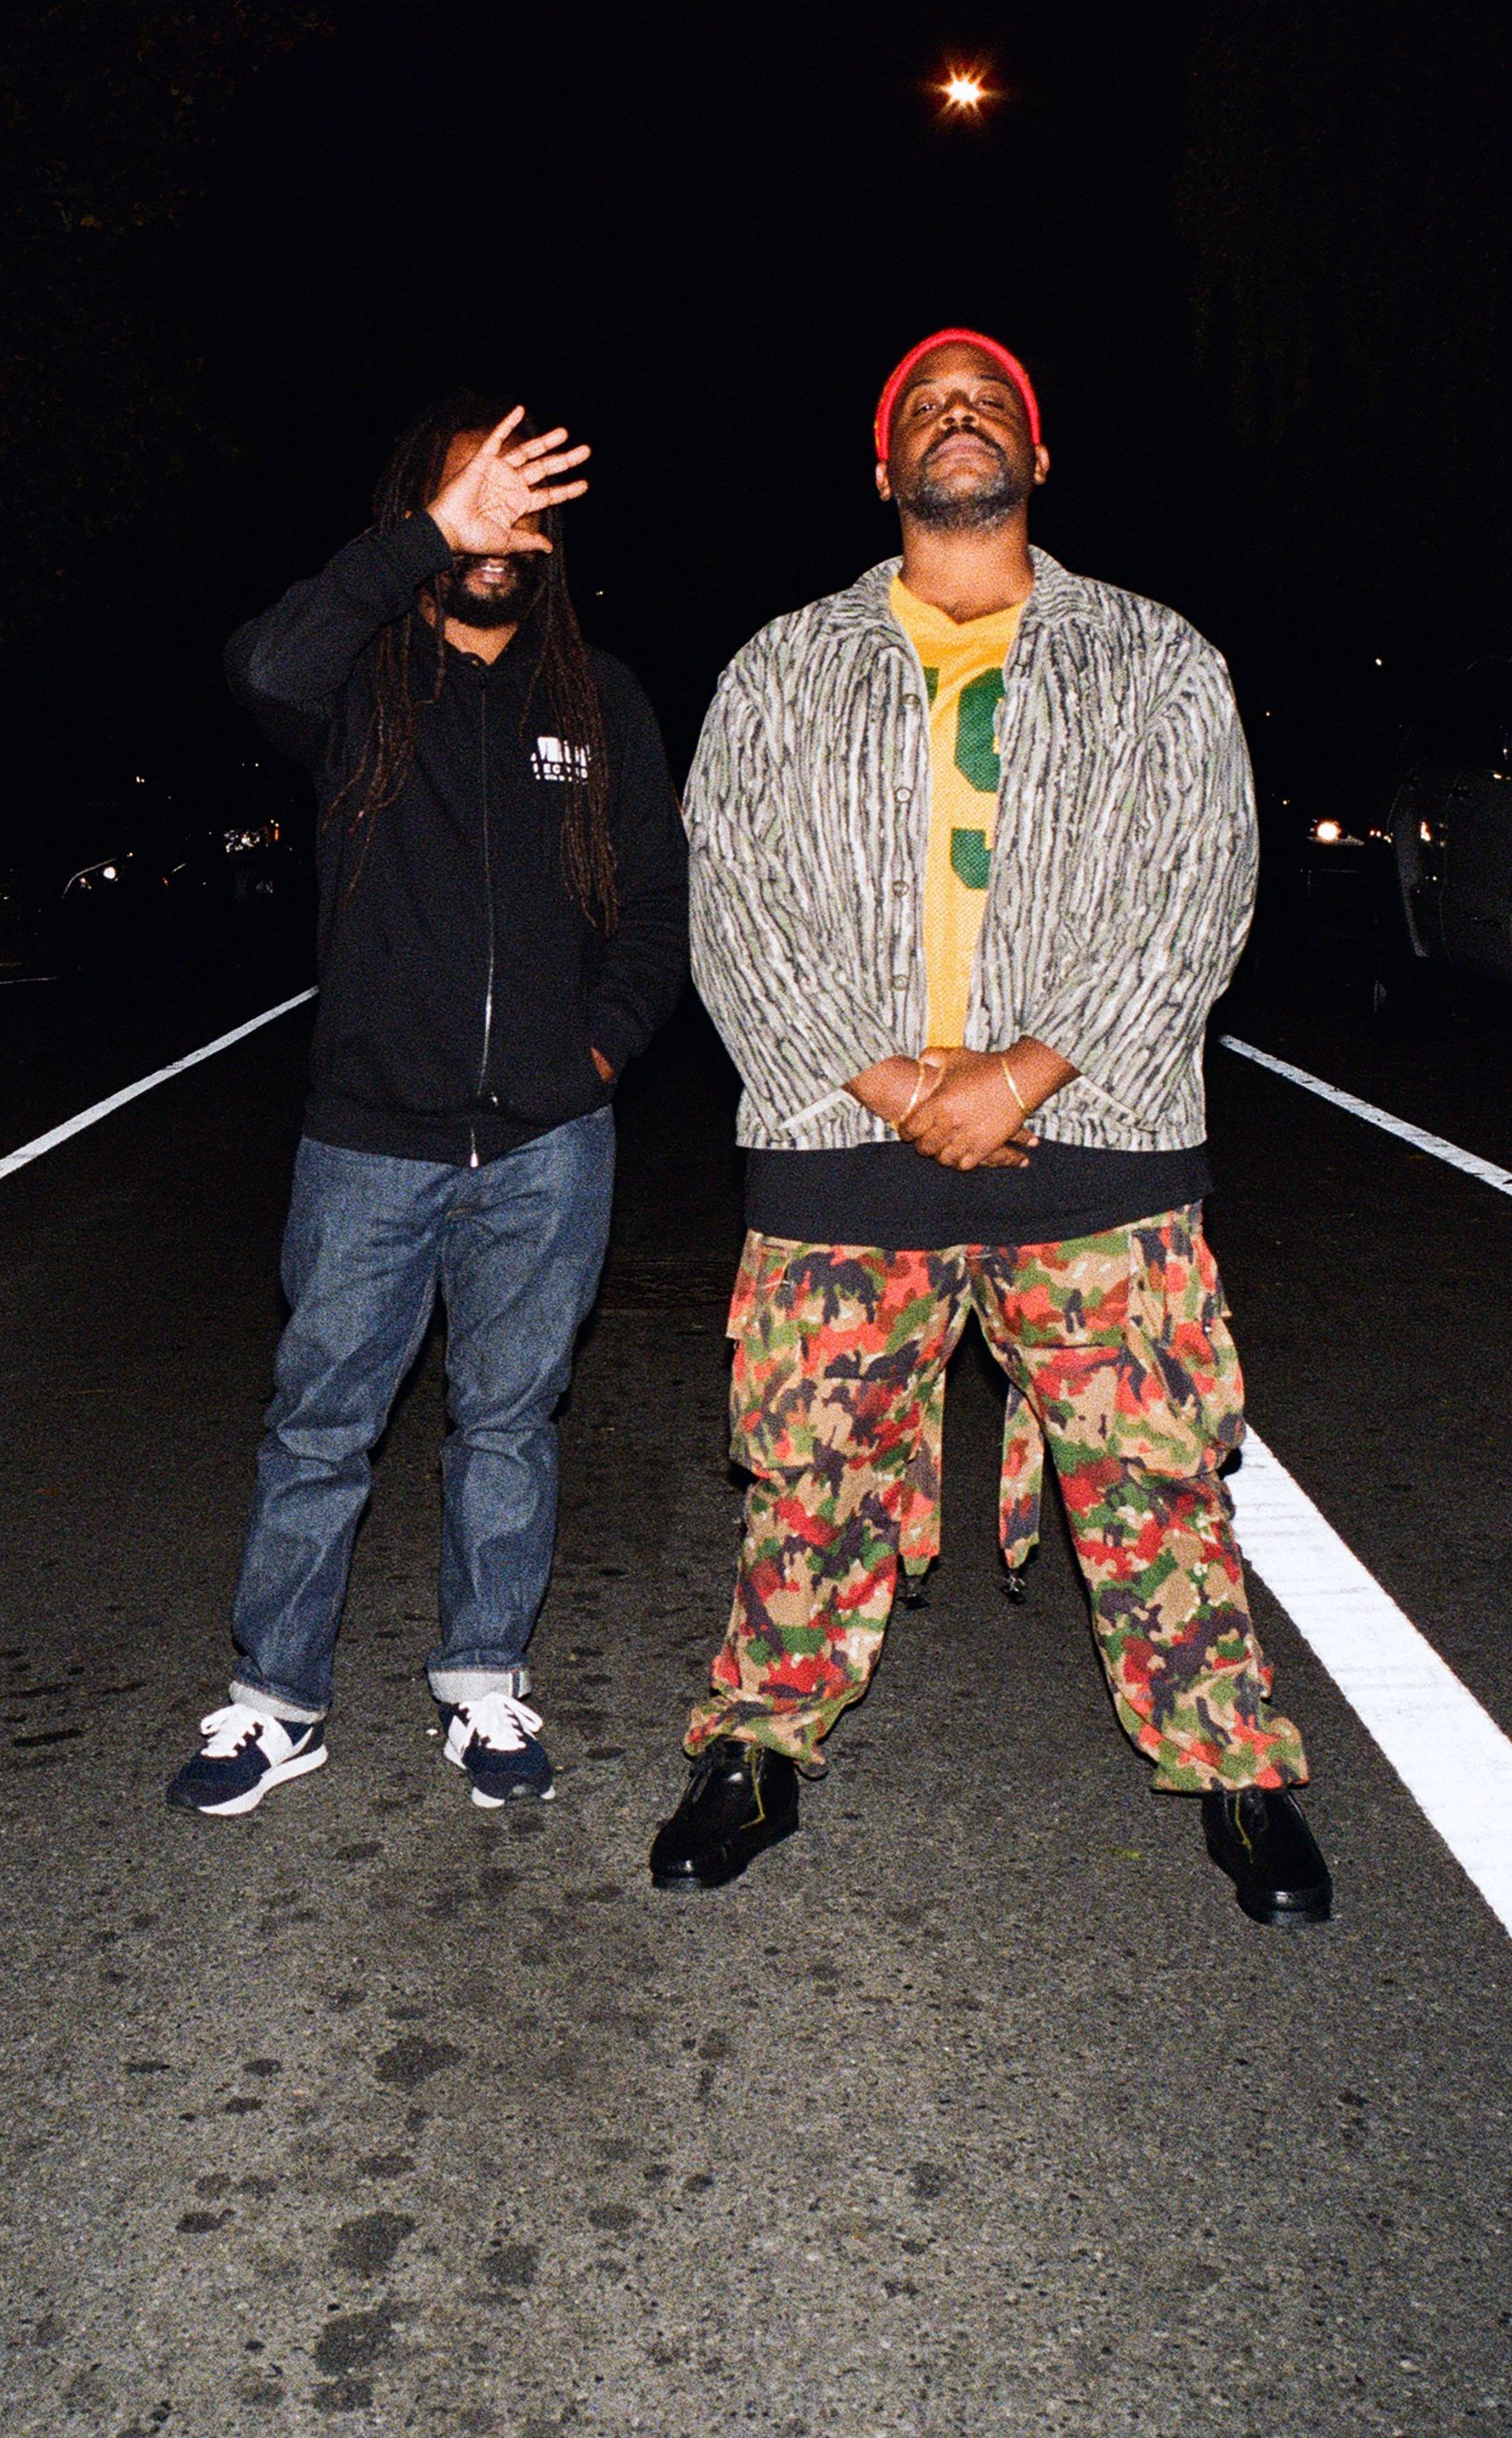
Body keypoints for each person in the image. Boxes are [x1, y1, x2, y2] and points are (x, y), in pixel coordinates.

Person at [648, 329, 1330, 1925]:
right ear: (884, 466)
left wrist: (1017, 1075)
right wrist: (895, 1086)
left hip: (1098, 1140)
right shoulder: (780, 667)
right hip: (840, 1145)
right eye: (927, 406)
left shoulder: (1154, 657)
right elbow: (731, 903)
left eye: (988, 401)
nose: (959, 416)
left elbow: (1198, 886)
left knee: (1155, 1481)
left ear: (1036, 452)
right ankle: (754, 1752)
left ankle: (1233, 1770)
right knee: (809, 1479)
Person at [167, 398, 688, 1817]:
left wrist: (594, 1058)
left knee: (508, 1423)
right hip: (367, 1143)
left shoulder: (599, 699)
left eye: (522, 502)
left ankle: (482, 1684)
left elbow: (656, 905)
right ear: (419, 512)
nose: (496, 524)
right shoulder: (357, 682)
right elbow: (261, 663)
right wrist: (417, 540)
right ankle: (274, 1704)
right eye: (469, 497)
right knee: (318, 1428)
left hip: (547, 1143)